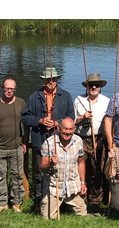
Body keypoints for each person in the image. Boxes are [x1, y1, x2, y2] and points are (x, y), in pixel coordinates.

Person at [23, 67, 74, 212]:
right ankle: (40, 202)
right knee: (40, 172)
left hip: (60, 141)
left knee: (61, 170)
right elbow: (25, 118)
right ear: (43, 80)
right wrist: (40, 121)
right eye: (47, 79)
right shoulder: (34, 96)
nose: (50, 82)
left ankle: (63, 204)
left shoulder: (65, 96)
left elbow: (71, 116)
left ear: (57, 79)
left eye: (53, 79)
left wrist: (57, 122)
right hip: (40, 140)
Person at [0, 78, 27, 213]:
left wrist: (25, 142)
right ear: (2, 88)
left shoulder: (21, 103)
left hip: (16, 146)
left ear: (15, 89)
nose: (9, 91)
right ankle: (1, 202)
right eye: (7, 88)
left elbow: (26, 125)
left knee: (17, 175)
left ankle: (17, 202)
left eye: (12, 89)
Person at [74, 73, 111, 211]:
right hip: (82, 138)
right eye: (91, 85)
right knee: (82, 167)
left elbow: (109, 123)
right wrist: (83, 117)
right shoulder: (79, 100)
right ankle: (81, 196)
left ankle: (96, 199)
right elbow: (74, 122)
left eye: (97, 85)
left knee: (97, 168)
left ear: (100, 87)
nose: (94, 87)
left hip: (99, 138)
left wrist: (101, 141)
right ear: (87, 86)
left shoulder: (107, 101)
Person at [39, 117, 89, 219]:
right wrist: (50, 162)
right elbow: (42, 167)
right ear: (59, 128)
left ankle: (69, 207)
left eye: (70, 129)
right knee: (48, 218)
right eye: (65, 129)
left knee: (83, 215)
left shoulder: (78, 141)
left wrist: (83, 182)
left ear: (74, 129)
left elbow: (81, 162)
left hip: (72, 186)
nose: (68, 132)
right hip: (54, 187)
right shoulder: (49, 142)